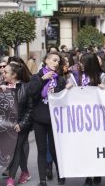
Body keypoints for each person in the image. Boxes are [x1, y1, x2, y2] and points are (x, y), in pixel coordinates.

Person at [29, 52, 66, 186]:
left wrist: (67, 89)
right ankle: (42, 180)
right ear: (46, 60)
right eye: (54, 60)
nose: (56, 63)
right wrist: (42, 79)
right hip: (39, 119)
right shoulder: (36, 76)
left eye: (58, 61)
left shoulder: (60, 79)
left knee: (54, 149)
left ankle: (61, 174)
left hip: (54, 120)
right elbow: (32, 93)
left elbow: (64, 99)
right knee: (42, 150)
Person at [69, 52, 105, 186]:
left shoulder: (101, 76)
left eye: (83, 62)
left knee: (96, 146)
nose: (80, 65)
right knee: (85, 147)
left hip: (98, 118)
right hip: (82, 119)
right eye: (79, 62)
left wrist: (104, 89)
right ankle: (88, 174)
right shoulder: (75, 77)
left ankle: (97, 171)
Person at [2, 62, 32, 186]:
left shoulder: (26, 87)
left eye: (5, 72)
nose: (2, 74)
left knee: (15, 149)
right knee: (17, 150)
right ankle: (25, 172)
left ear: (14, 75)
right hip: (6, 126)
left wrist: (21, 124)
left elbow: (30, 109)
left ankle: (11, 178)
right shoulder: (2, 87)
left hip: (21, 126)